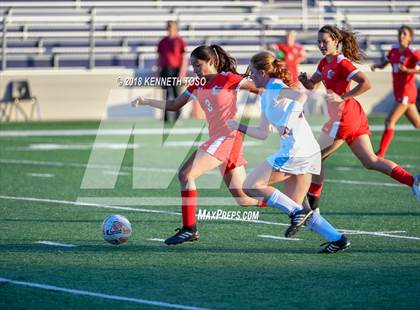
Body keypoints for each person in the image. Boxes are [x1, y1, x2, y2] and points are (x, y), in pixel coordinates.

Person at [132, 45, 265, 245]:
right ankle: (291, 205)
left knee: (186, 174)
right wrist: (146, 101)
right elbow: (175, 104)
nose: (194, 69)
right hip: (224, 140)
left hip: (227, 137)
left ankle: (189, 229)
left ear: (211, 62)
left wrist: (280, 108)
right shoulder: (198, 83)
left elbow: (262, 89)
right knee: (243, 198)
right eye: (193, 65)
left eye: (198, 64)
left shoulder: (228, 79)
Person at [227, 51, 350, 253]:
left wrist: (290, 120)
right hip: (306, 150)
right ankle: (337, 239)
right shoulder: (267, 94)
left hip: (296, 149)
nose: (251, 79)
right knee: (299, 206)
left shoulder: (275, 86)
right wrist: (238, 125)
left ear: (263, 72)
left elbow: (301, 95)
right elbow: (262, 133)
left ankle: (296, 212)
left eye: (253, 74)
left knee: (250, 186)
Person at [298, 25, 420, 211]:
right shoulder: (324, 63)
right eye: (319, 41)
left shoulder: (341, 62)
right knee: (370, 161)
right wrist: (304, 81)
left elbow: (366, 83)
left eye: (325, 41)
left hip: (344, 118)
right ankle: (413, 182)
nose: (321, 45)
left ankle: (313, 204)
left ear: (336, 42)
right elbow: (312, 85)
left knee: (315, 156)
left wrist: (343, 97)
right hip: (352, 116)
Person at [371, 25, 420, 158]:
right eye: (400, 33)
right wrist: (377, 66)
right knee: (417, 124)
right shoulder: (393, 50)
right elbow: (386, 63)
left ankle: (380, 153)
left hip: (407, 92)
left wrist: (409, 71)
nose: (401, 35)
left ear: (410, 37)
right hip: (399, 92)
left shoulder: (413, 52)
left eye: (404, 33)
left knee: (389, 121)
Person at [157, 20, 188, 123]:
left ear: (176, 28)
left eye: (172, 26)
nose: (170, 28)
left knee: (177, 96)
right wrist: (158, 71)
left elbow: (184, 57)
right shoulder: (162, 41)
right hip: (165, 70)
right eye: (168, 26)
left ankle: (177, 118)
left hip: (176, 71)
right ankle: (165, 118)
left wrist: (182, 72)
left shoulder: (179, 41)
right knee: (165, 95)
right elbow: (159, 57)